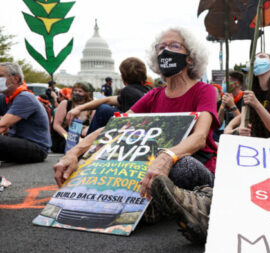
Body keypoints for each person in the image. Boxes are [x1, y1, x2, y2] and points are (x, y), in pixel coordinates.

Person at [53, 27, 218, 244]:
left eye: (174, 46)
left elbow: (199, 137)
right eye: (161, 48)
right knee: (109, 158)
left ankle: (179, 204)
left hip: (195, 165)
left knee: (180, 165)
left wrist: (167, 156)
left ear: (190, 57)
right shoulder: (153, 95)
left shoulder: (204, 90)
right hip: (154, 169)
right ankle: (175, 206)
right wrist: (75, 152)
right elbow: (115, 128)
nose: (166, 52)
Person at [66, 57, 151, 134]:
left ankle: (88, 145)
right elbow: (108, 99)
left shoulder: (128, 91)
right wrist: (80, 108)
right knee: (106, 107)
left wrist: (78, 108)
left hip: (133, 127)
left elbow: (127, 119)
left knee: (103, 109)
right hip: (147, 126)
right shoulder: (148, 90)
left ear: (122, 77)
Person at [224, 52, 270, 140]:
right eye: (254, 59)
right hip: (256, 146)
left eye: (262, 57)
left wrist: (256, 104)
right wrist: (232, 128)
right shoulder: (249, 92)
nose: (257, 60)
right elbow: (243, 121)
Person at [0, 62, 51, 163]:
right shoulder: (4, 97)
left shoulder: (25, 98)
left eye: (0, 76)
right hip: (17, 143)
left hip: (36, 148)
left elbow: (3, 124)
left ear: (15, 78)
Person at [51, 82, 94, 153]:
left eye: (80, 91)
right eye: (75, 90)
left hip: (82, 139)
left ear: (87, 94)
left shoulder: (91, 108)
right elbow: (56, 125)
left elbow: (93, 126)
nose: (76, 93)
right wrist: (69, 137)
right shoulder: (65, 104)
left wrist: (86, 129)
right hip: (63, 139)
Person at [214, 71, 245, 142]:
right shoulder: (222, 100)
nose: (224, 84)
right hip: (226, 134)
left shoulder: (245, 99)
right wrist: (222, 107)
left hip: (240, 135)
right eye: (224, 82)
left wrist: (232, 106)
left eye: (226, 82)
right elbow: (218, 124)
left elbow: (242, 123)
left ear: (237, 84)